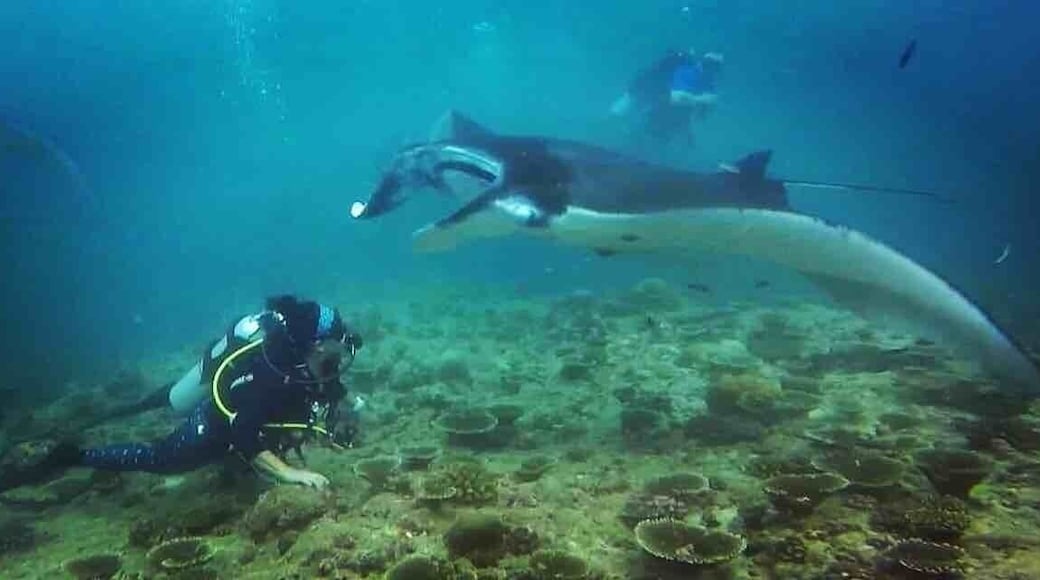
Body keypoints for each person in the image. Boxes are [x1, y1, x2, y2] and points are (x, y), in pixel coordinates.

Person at [0, 295, 363, 491]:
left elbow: (330, 388)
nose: (343, 347)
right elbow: (245, 434)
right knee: (162, 460)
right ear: (315, 346)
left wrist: (351, 408)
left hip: (249, 422)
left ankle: (159, 399)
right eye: (337, 341)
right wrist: (291, 474)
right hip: (216, 424)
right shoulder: (270, 376)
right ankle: (73, 456)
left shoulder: (312, 365)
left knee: (199, 433)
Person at [610, 49, 725, 147]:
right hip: (659, 110)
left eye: (716, 67)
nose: (712, 70)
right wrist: (701, 100)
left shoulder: (707, 80)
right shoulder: (687, 71)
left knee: (657, 140)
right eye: (710, 65)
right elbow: (675, 98)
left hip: (672, 117)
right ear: (703, 62)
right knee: (644, 135)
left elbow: (706, 105)